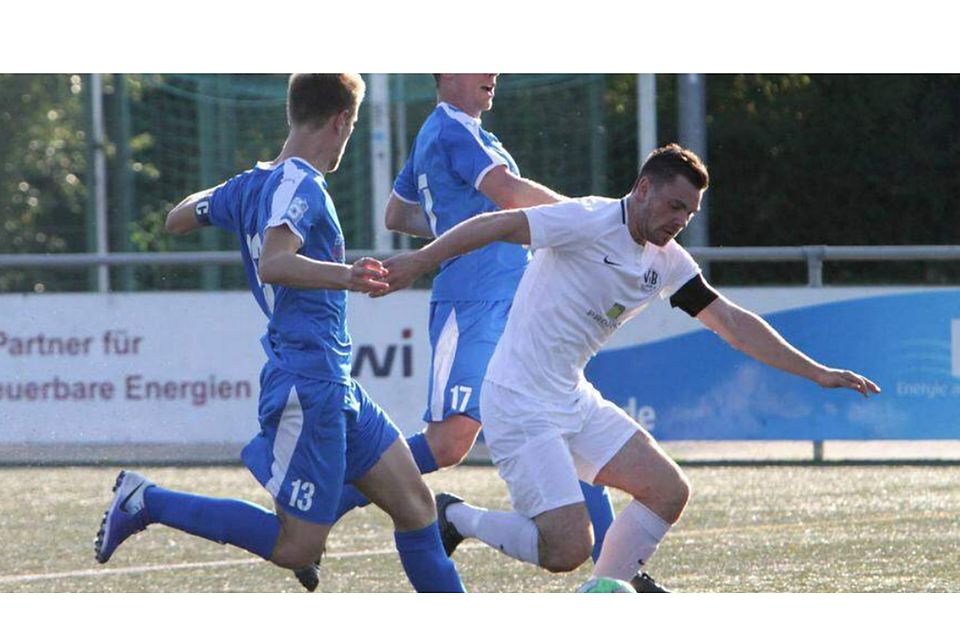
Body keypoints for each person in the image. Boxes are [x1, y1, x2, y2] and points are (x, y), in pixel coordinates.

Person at [377, 143, 881, 587]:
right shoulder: (587, 219)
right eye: (674, 205)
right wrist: (420, 262)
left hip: (571, 399)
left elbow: (731, 321)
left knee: (668, 491)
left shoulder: (666, 259)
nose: (680, 220)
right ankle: (456, 516)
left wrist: (816, 371)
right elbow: (500, 221)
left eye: (689, 213)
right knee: (566, 549)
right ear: (643, 188)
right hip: (518, 401)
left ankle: (604, 597)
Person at [93, 74, 465, 593]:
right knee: (297, 547)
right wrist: (348, 276)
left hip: (336, 385)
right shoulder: (301, 184)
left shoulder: (255, 184)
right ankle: (146, 500)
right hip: (307, 382)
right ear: (340, 120)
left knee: (417, 507)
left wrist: (225, 196)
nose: (347, 138)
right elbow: (274, 263)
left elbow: (179, 218)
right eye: (352, 126)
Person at [333, 73, 622, 578]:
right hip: (474, 302)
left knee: (562, 422)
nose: (494, 72)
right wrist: (592, 221)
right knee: (449, 444)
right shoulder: (452, 131)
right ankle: (324, 508)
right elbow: (507, 192)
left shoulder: (463, 133)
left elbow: (398, 212)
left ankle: (620, 571)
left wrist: (457, 219)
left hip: (518, 304)